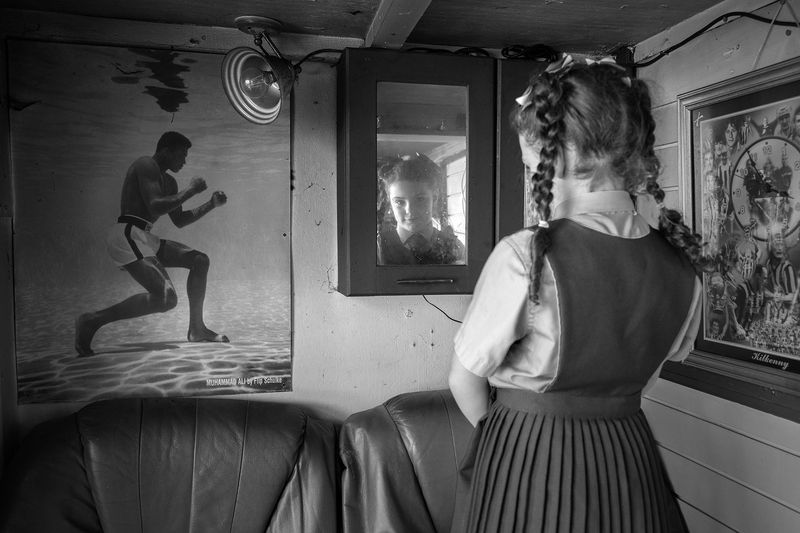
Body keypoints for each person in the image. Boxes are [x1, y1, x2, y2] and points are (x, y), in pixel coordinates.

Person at [448, 53, 709, 533]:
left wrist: (506, 442)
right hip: (630, 464)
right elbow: (646, 380)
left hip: (529, 462)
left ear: (559, 157)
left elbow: (463, 380)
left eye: (532, 165)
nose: (531, 176)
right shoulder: (683, 267)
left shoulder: (527, 255)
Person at [75, 131, 229, 356]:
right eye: (181, 155)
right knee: (166, 299)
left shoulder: (170, 182)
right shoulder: (145, 164)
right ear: (166, 151)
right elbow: (155, 205)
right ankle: (92, 320)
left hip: (144, 236)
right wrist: (191, 190)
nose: (184, 161)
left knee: (199, 260)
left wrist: (211, 204)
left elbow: (180, 220)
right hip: (126, 234)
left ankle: (197, 329)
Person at [376, 153, 464, 265]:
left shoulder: (454, 248)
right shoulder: (377, 249)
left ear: (434, 198)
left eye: (420, 199)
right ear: (390, 202)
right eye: (399, 202)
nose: (410, 211)